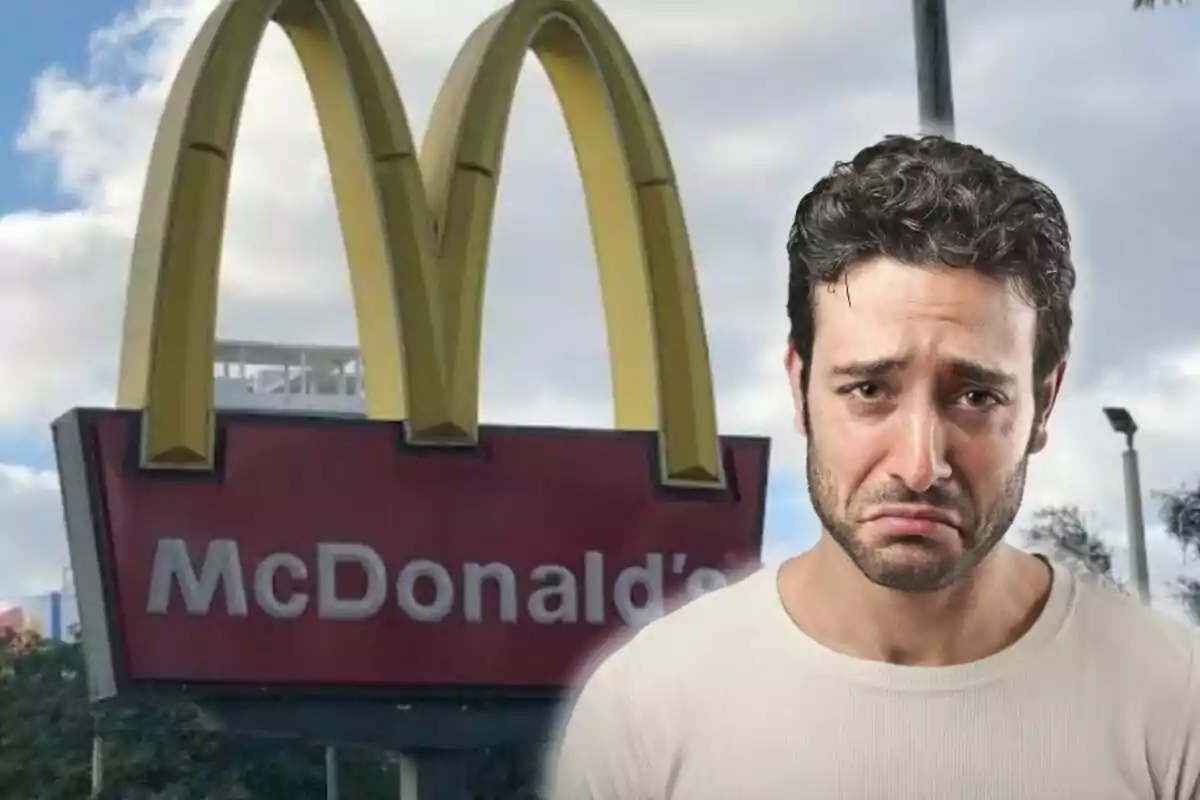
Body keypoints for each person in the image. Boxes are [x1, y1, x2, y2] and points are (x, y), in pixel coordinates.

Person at [544, 134, 1200, 799]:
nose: (919, 465)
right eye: (869, 390)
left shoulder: (1175, 709)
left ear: (1043, 403)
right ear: (800, 387)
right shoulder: (644, 712)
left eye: (976, 397)